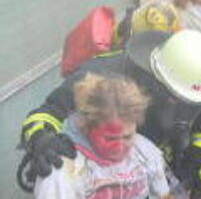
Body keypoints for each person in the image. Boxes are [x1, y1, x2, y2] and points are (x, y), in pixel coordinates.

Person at [20, 30, 201, 195]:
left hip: (153, 167)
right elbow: (47, 113)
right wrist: (41, 138)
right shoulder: (101, 80)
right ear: (157, 75)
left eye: (187, 102)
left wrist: (194, 171)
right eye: (171, 95)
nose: (178, 105)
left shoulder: (200, 86)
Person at [34, 72, 172, 199]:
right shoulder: (63, 172)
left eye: (127, 137)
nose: (119, 147)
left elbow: (165, 194)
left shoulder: (145, 152)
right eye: (110, 138)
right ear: (86, 128)